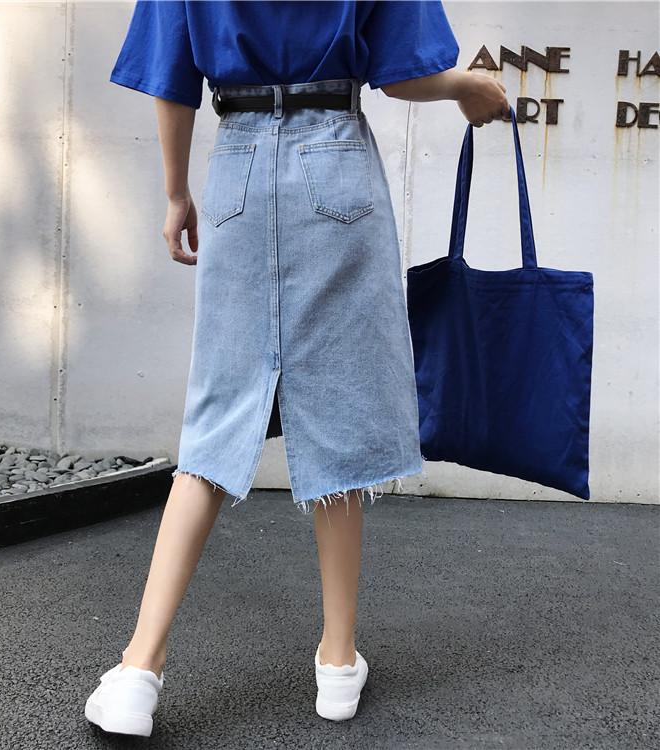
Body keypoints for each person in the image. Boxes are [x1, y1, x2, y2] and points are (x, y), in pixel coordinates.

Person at [84, 0, 508, 738]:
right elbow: (404, 75)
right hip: (336, 154)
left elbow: (172, 78)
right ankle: (338, 664)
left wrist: (176, 190)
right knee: (335, 413)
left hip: (240, 164)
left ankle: (136, 673)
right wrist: (469, 86)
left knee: (218, 413)